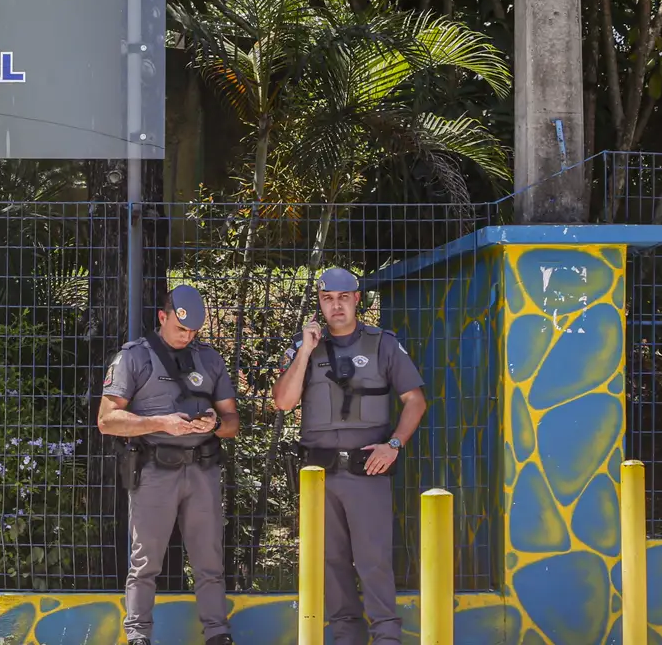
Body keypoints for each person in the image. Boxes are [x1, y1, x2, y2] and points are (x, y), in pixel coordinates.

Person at [272, 267, 428, 645]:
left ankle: (386, 636)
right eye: (328, 299)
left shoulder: (383, 344)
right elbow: (283, 402)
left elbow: (415, 401)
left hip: (367, 471)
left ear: (357, 299)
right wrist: (306, 350)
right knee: (331, 561)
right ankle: (346, 636)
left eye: (343, 297)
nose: (336, 305)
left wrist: (394, 446)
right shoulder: (305, 346)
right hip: (319, 474)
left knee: (373, 559)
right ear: (320, 304)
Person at [96, 285, 240, 645]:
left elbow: (232, 421)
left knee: (209, 563)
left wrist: (214, 425)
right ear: (163, 317)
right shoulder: (135, 358)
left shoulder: (208, 358)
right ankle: (138, 636)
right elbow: (106, 420)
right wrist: (160, 422)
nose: (186, 336)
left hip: (202, 471)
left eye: (193, 331)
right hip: (154, 472)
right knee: (145, 564)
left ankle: (218, 635)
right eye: (180, 328)